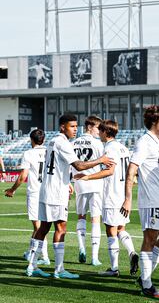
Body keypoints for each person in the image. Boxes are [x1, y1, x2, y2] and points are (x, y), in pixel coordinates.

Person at [26, 114, 114, 279]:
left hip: (47, 189)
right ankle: (59, 269)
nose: (75, 129)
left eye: (75, 126)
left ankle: (32, 265)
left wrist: (68, 181)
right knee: (61, 228)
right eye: (71, 126)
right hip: (56, 192)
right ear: (62, 127)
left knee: (43, 228)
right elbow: (79, 165)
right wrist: (100, 160)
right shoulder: (63, 143)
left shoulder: (52, 141)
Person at [120, 105, 159, 298]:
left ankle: (145, 276)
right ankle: (147, 284)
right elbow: (131, 170)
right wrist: (128, 199)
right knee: (150, 239)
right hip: (150, 200)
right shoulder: (144, 142)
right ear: (154, 121)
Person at [74, 120, 139, 277]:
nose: (99, 134)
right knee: (121, 228)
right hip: (123, 194)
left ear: (105, 132)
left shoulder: (109, 148)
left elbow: (109, 171)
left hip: (112, 194)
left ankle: (114, 268)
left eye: (100, 131)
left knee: (111, 230)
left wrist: (88, 177)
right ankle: (132, 252)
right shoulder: (123, 148)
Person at [5, 129, 49, 264]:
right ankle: (32, 253)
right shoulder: (49, 151)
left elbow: (23, 175)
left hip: (35, 192)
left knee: (38, 226)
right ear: (44, 140)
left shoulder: (29, 153)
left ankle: (43, 257)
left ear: (31, 140)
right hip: (48, 191)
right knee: (41, 226)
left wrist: (12, 190)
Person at [72, 116, 105, 266]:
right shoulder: (97, 143)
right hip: (95, 182)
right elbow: (105, 164)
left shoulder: (73, 143)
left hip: (79, 183)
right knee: (96, 219)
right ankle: (94, 257)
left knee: (81, 217)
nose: (100, 131)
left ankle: (81, 248)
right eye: (98, 128)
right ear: (90, 127)